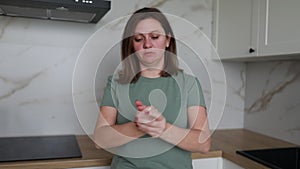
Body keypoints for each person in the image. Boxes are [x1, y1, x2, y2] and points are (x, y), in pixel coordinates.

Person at [94, 7, 211, 169]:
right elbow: (100, 140)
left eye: (155, 36)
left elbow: (203, 143)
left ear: (168, 41)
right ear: (131, 45)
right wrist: (138, 127)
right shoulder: (115, 83)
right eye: (138, 39)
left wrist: (162, 128)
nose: (148, 44)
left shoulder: (189, 84)